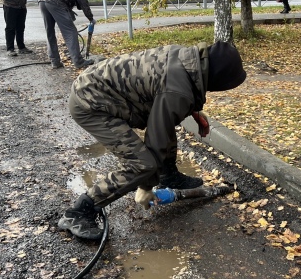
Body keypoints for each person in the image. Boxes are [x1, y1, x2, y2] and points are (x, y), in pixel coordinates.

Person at [58, 41, 247, 240]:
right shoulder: (177, 91)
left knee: (166, 124)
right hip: (90, 104)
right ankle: (79, 212)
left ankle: (169, 176)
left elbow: (164, 89)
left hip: (95, 86)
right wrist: (146, 187)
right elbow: (156, 136)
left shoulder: (185, 57)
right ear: (217, 80)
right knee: (142, 164)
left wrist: (194, 110)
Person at [39, 0, 95, 69]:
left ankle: (55, 61)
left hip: (42, 0)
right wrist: (90, 18)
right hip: (56, 1)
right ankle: (78, 61)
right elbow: (82, 0)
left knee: (49, 32)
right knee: (70, 31)